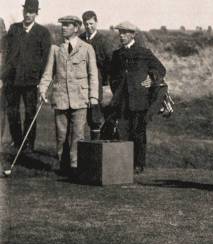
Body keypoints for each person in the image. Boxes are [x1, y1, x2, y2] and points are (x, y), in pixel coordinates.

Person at [38, 16, 98, 175]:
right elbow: (48, 74)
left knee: (78, 134)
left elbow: (93, 74)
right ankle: (63, 165)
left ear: (76, 28)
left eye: (67, 25)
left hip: (80, 98)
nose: (63, 28)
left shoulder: (87, 48)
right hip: (61, 98)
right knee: (61, 135)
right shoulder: (56, 49)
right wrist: (42, 89)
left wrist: (94, 96)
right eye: (62, 25)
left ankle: (75, 166)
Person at [108, 22, 166, 174]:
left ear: (133, 34)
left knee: (138, 132)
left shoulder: (144, 52)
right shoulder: (116, 55)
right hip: (122, 102)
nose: (121, 35)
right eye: (120, 32)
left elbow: (160, 69)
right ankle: (125, 165)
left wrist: (151, 80)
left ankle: (138, 164)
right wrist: (117, 90)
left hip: (139, 100)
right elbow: (112, 77)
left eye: (125, 33)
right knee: (122, 132)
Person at [2, 0, 52, 153]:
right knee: (12, 112)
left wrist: (40, 79)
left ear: (36, 13)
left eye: (31, 12)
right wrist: (3, 76)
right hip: (12, 79)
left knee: (30, 113)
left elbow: (45, 59)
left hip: (31, 80)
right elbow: (7, 53)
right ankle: (17, 142)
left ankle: (28, 143)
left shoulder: (42, 32)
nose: (28, 15)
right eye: (26, 11)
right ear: (23, 11)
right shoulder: (14, 29)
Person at [79, 10, 114, 140]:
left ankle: (95, 146)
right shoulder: (80, 39)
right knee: (81, 114)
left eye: (91, 23)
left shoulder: (103, 41)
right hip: (81, 82)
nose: (89, 27)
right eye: (86, 24)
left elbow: (109, 63)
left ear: (96, 22)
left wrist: (104, 81)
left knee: (95, 114)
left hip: (97, 82)